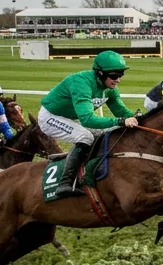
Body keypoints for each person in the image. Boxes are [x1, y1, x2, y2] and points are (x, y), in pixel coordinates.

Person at [38, 51, 138, 198]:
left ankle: (83, 166)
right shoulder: (81, 83)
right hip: (51, 117)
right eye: (114, 76)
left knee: (109, 131)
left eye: (121, 75)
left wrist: (137, 117)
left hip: (71, 118)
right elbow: (87, 120)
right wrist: (121, 121)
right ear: (100, 73)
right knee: (85, 137)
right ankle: (64, 184)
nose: (118, 80)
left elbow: (120, 111)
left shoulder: (109, 89)